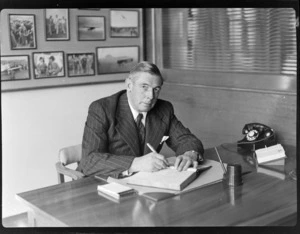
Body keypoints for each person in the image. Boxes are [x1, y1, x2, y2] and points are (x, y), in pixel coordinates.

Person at [77, 61, 204, 178]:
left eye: (156, 89)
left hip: (143, 182)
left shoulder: (164, 109)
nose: (150, 96)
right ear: (129, 85)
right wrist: (136, 163)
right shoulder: (102, 109)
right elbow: (90, 161)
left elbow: (186, 139)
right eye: (144, 87)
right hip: (103, 182)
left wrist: (190, 154)